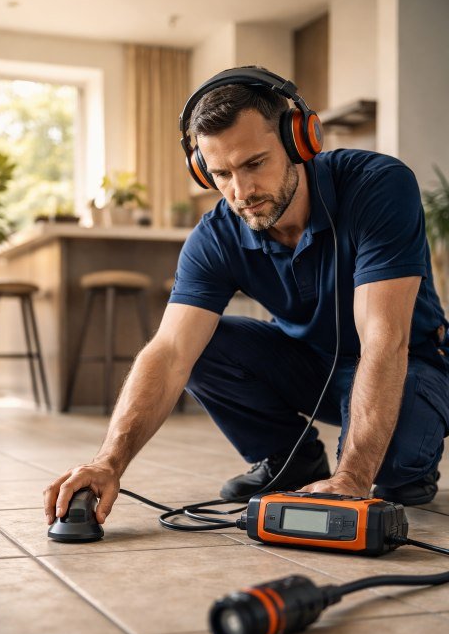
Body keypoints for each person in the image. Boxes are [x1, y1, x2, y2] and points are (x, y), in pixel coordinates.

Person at [44, 66, 449, 526]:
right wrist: (108, 461)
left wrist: (353, 476)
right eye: (221, 174)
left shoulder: (378, 185)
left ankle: (406, 463)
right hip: (312, 363)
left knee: (393, 478)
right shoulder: (216, 234)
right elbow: (171, 351)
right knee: (200, 344)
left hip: (409, 361)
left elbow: (384, 338)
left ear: (301, 142)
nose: (242, 192)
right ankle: (290, 461)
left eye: (254, 163)